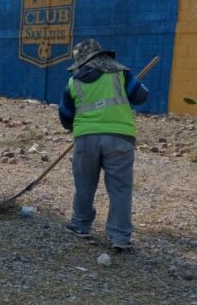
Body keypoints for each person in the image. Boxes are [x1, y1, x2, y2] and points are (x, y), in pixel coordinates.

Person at [58, 39, 149, 252]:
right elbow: (141, 96)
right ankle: (120, 237)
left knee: (84, 185)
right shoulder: (121, 73)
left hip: (86, 138)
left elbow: (65, 115)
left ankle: (80, 225)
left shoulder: (74, 82)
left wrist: (78, 128)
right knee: (120, 189)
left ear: (81, 62)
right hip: (120, 137)